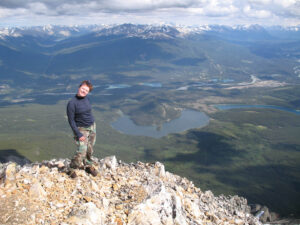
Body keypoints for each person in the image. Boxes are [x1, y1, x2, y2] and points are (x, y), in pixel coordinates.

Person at [66, 80, 98, 177]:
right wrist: (78, 134)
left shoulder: (86, 99)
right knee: (82, 150)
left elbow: (88, 112)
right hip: (81, 129)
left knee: (90, 148)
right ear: (79, 87)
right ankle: (71, 168)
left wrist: (92, 125)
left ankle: (88, 165)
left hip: (92, 126)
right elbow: (71, 121)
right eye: (83, 89)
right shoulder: (72, 103)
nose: (84, 91)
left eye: (86, 90)